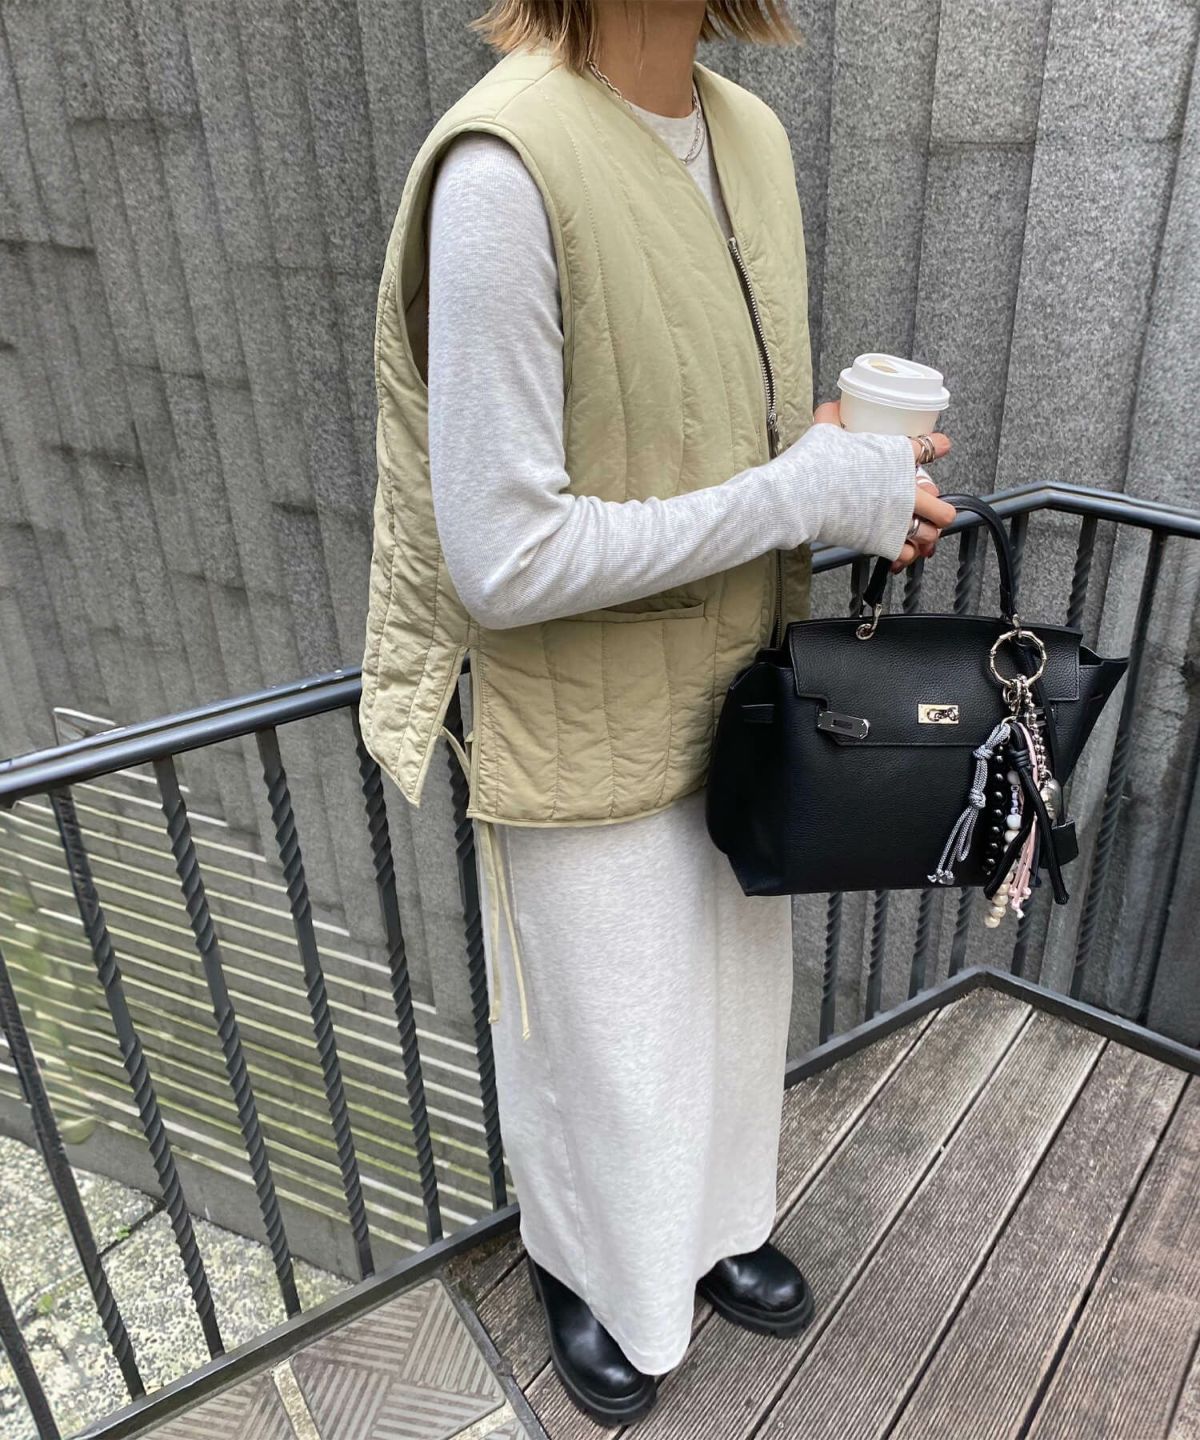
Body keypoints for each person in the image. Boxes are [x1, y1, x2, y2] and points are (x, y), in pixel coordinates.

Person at [358, 0, 955, 1425]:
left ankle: (717, 1228)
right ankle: (589, 1270)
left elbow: (705, 441)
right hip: (580, 710)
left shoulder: (749, 133)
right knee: (605, 1050)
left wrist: (844, 470)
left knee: (734, 1015)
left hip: (746, 689)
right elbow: (503, 559)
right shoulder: (501, 168)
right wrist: (801, 491)